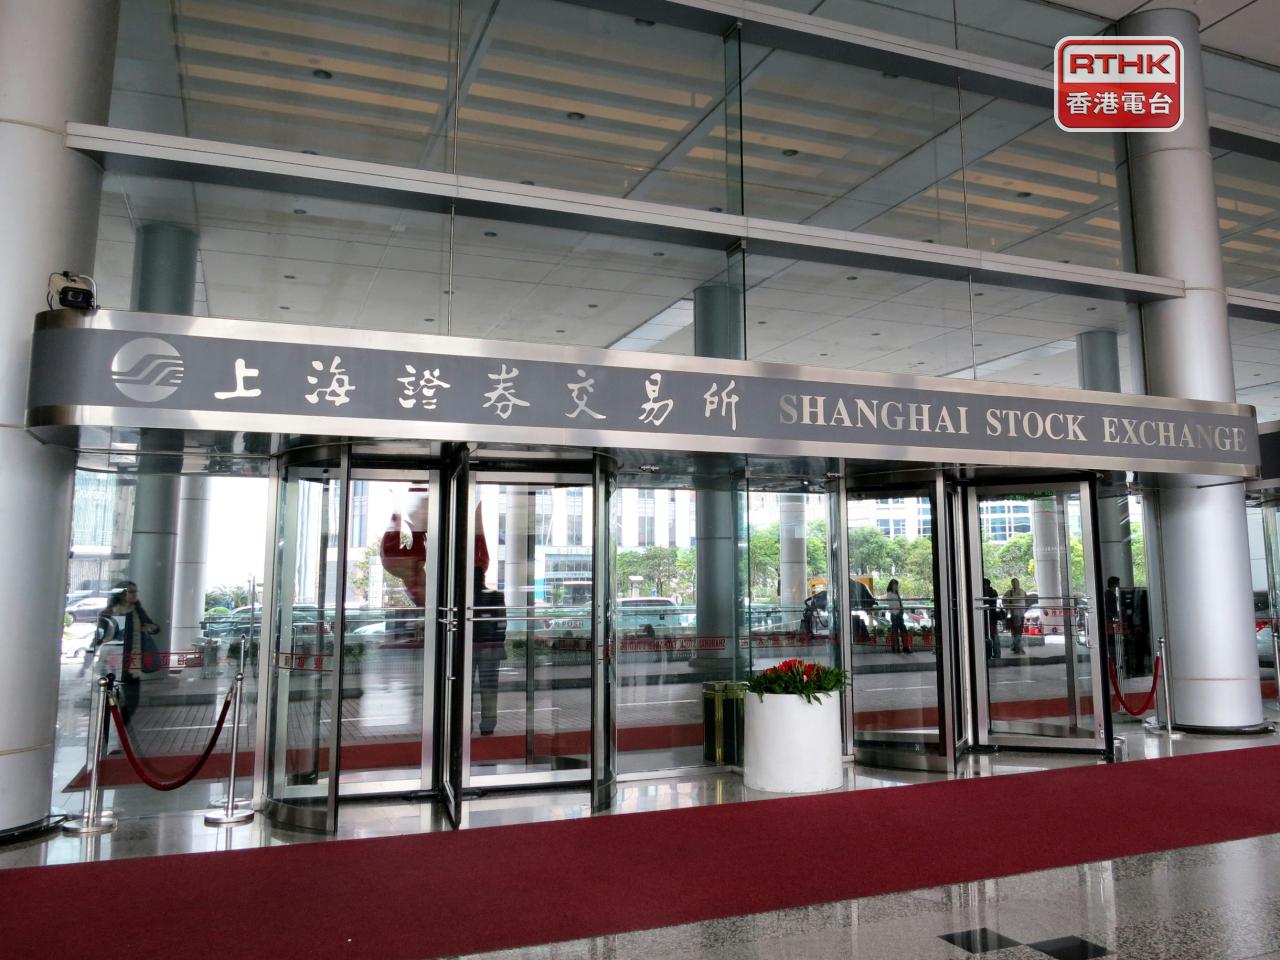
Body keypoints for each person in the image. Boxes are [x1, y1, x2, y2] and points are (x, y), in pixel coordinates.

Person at [92, 580, 161, 729]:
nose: (135, 594)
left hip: (132, 663)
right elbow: (99, 637)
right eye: (131, 592)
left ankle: (121, 727)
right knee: (111, 699)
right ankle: (112, 730)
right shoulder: (110, 612)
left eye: (135, 591)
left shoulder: (137, 611)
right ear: (122, 594)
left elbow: (154, 627)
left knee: (132, 700)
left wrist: (151, 628)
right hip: (113, 661)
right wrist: (89, 657)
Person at [884, 579, 910, 654]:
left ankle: (905, 648)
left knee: (903, 631)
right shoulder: (890, 594)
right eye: (895, 585)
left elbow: (898, 604)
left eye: (896, 585)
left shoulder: (896, 593)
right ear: (891, 586)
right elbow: (892, 605)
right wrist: (897, 612)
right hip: (895, 615)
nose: (896, 586)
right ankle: (897, 649)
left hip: (899, 615)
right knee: (896, 633)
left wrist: (901, 611)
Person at [1003, 577, 1027, 655]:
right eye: (1014, 583)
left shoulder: (1023, 592)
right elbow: (1004, 602)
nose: (1016, 584)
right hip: (1014, 614)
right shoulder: (1009, 593)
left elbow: (1026, 602)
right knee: (1016, 631)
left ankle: (1016, 647)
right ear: (1012, 584)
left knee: (1018, 631)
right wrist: (1009, 607)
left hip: (1021, 614)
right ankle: (1018, 647)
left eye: (1017, 582)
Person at [851, 577, 877, 646]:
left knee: (856, 621)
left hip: (855, 609)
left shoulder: (857, 585)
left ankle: (860, 638)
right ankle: (863, 638)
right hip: (857, 609)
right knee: (857, 621)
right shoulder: (859, 585)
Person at [982, 577, 999, 659]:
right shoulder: (994, 591)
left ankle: (988, 654)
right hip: (993, 617)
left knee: (989, 635)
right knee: (994, 635)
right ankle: (997, 653)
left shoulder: (984, 592)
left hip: (987, 617)